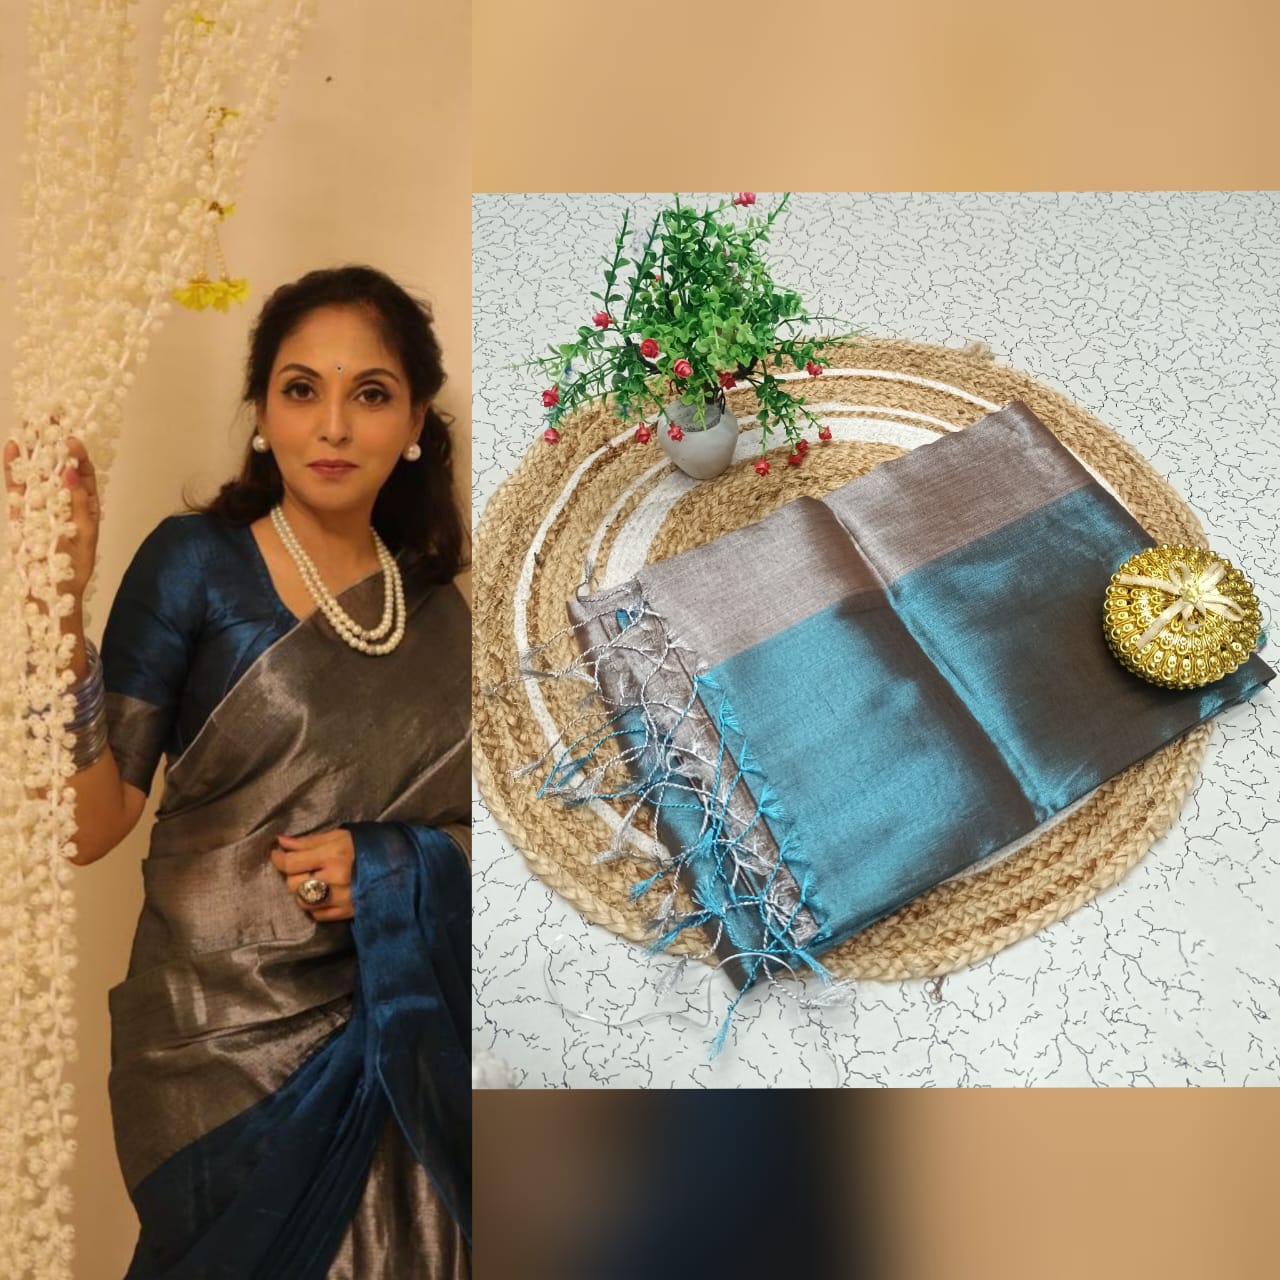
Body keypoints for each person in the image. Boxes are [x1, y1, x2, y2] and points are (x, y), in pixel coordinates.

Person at [4, 265, 471, 1278]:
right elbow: (89, 825)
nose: (333, 425)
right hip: (216, 1050)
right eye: (302, 389)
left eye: (370, 393)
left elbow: (501, 853)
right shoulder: (195, 565)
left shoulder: (442, 619)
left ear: (414, 423)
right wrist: (57, 618)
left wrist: (392, 869)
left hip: (398, 1042)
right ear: (262, 411)